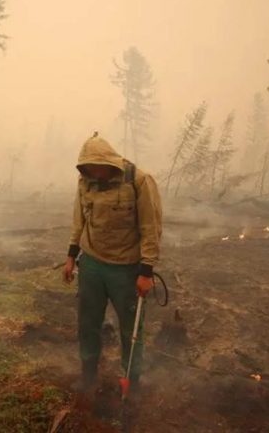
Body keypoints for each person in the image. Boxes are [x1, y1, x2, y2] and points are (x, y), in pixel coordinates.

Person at [63, 131, 162, 396]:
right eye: (88, 168)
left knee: (131, 328)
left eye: (96, 168)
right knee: (88, 322)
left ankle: (132, 381)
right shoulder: (85, 182)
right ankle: (88, 375)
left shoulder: (139, 181)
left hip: (126, 269)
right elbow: (78, 218)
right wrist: (72, 255)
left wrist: (146, 270)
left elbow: (151, 228)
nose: (93, 173)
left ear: (109, 163)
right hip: (92, 265)